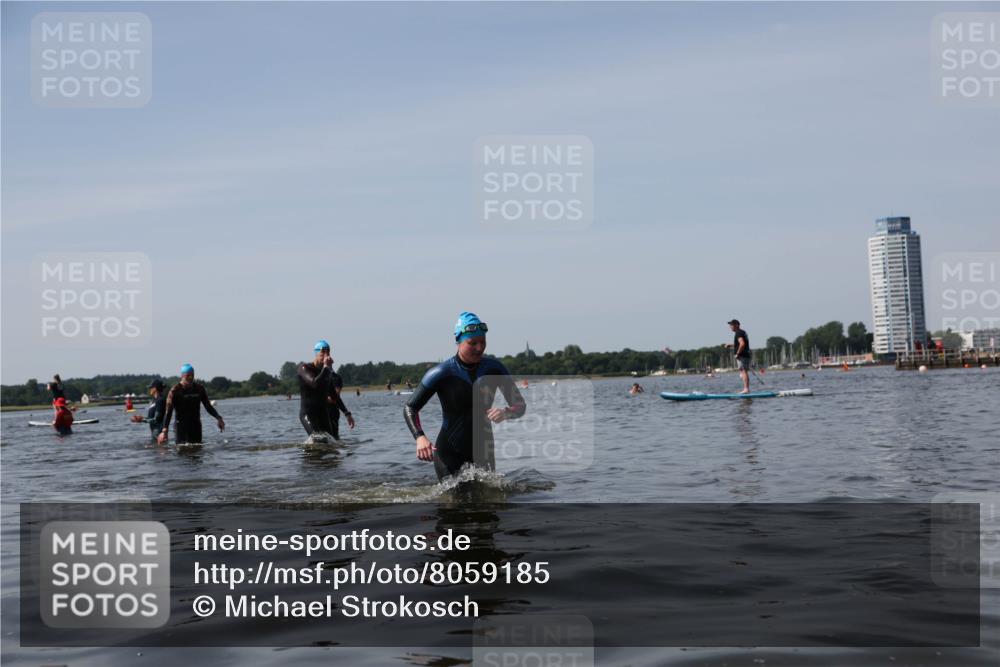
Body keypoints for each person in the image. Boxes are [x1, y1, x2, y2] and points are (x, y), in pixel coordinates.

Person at [404, 312, 526, 481]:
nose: (479, 348)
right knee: (454, 497)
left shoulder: (494, 369)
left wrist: (506, 412)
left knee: (490, 497)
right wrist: (420, 437)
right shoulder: (441, 373)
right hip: (449, 453)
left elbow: (520, 406)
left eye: (482, 342)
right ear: (458, 341)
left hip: (484, 451)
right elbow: (410, 407)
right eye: (472, 343)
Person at [157, 364, 225, 444]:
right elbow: (168, 412)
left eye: (192, 376)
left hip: (196, 426)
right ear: (182, 376)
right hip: (181, 427)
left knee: (197, 448)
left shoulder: (199, 388)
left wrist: (218, 418)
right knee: (182, 449)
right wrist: (164, 430)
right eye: (188, 376)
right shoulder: (175, 390)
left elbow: (208, 406)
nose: (190, 378)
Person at [298, 340, 339, 436]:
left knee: (331, 440)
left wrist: (346, 413)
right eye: (322, 352)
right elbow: (314, 383)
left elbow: (334, 397)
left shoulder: (327, 372)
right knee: (317, 439)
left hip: (323, 413)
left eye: (328, 352)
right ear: (316, 353)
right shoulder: (304, 368)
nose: (325, 355)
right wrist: (326, 368)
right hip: (308, 413)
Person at [324, 347, 355, 439]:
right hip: (319, 413)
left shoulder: (336, 378)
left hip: (332, 412)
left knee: (334, 438)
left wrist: (347, 413)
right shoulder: (315, 376)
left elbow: (335, 398)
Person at [726, 319, 752, 394]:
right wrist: (731, 345)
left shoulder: (738, 333)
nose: (730, 327)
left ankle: (746, 389)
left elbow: (742, 344)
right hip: (745, 355)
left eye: (731, 325)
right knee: (742, 371)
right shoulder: (742, 332)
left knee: (744, 371)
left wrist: (737, 353)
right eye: (730, 325)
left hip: (742, 355)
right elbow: (739, 344)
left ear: (736, 325)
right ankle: (746, 387)